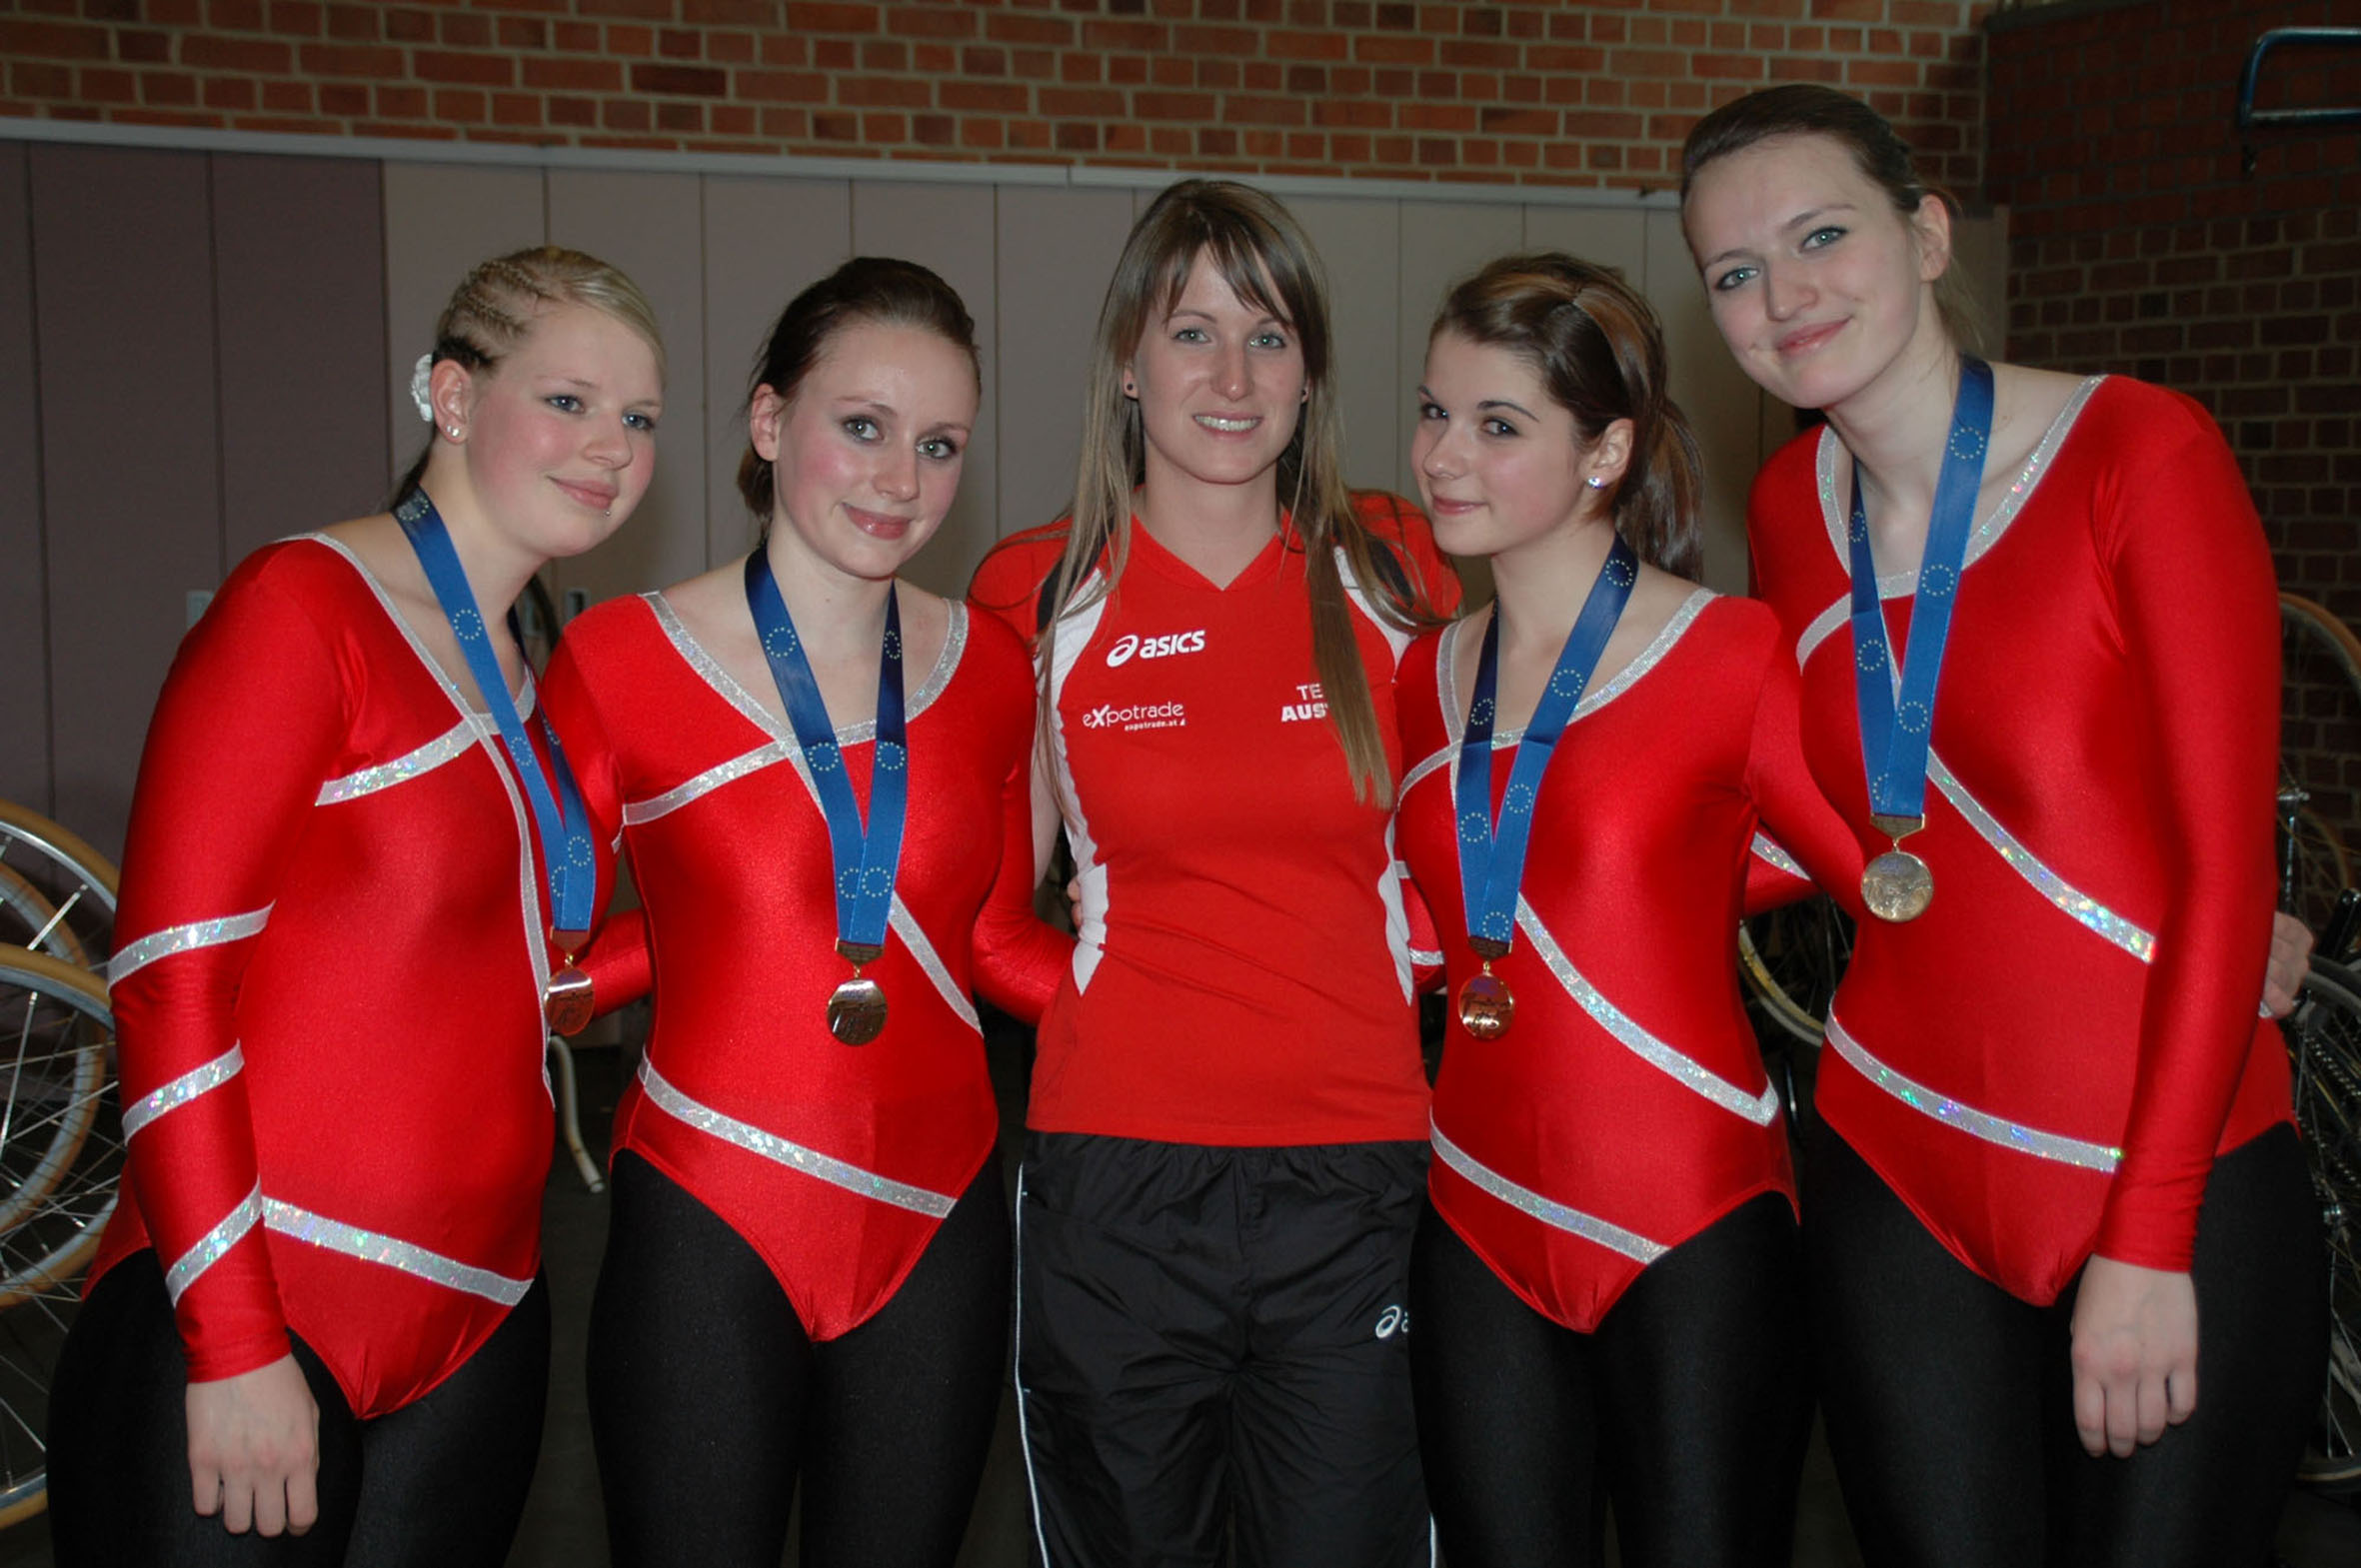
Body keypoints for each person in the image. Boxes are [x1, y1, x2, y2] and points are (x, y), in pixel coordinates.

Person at [1680, 84, 2326, 1566]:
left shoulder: (2139, 454)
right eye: (1733, 271)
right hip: (1895, 1169)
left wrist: (2147, 1237)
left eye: (1821, 236)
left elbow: (2224, 867)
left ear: (1925, 234)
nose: (1783, 298)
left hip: (2164, 1167)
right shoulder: (1787, 509)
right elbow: (1848, 831)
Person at [48, 246, 665, 1564]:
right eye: (568, 401)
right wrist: (233, 1338)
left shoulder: (527, 683)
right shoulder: (301, 608)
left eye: (640, 416)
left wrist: (724, 931)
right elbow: (167, 985)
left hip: (483, 1324)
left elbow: (519, 981)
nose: (611, 447)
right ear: (452, 396)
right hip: (261, 1298)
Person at [968, 178, 1459, 1566]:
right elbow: (988, 916)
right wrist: (1108, 1005)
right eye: (1192, 332)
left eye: (1268, 336)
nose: (1232, 377)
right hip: (1114, 1182)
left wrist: (1379, 975)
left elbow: (1468, 856)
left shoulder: (1396, 570)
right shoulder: (1035, 589)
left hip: (1360, 1177)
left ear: (1310, 371)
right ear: (1129, 361)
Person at [542, 257, 1036, 1568]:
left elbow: (994, 943)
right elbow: (546, 945)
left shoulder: (993, 669)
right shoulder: (620, 661)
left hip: (940, 1218)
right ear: (770, 422)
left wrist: (1207, 980)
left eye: (939, 445)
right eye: (862, 426)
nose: (900, 480)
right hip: (708, 1214)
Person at [1395, 252, 1864, 1568]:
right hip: (1474, 1218)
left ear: (1605, 452)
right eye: (1434, 412)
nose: (1444, 456)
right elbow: (1444, 916)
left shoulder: (1730, 653)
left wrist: (2182, 920)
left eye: (1498, 425)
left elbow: (1888, 874)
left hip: (1692, 1231)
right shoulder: (1421, 677)